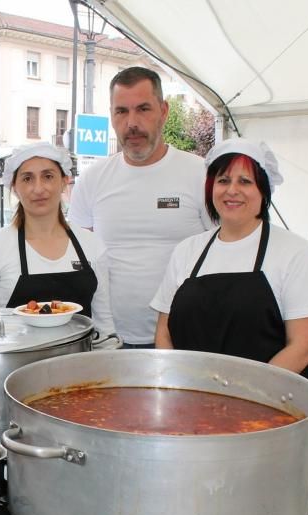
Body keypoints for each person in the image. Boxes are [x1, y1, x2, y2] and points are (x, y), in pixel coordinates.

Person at [150, 138, 308, 376]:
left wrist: (241, 396)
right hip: (189, 399)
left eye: (245, 181)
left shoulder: (295, 252)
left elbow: (303, 347)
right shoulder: (187, 250)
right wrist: (181, 384)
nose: (232, 190)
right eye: (223, 180)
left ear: (264, 190)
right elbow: (164, 332)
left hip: (266, 401)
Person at [68, 66, 211, 347]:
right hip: (107, 339)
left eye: (143, 109)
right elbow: (78, 259)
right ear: (111, 116)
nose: (132, 122)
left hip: (184, 337)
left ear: (164, 111)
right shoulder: (92, 179)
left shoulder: (201, 174)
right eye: (121, 111)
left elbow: (225, 253)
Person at [0, 142, 115, 334]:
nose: (38, 189)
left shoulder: (92, 245)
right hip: (16, 363)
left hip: (80, 362)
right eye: (27, 178)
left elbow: (104, 326)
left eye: (48, 176)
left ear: (64, 181)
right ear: (14, 187)